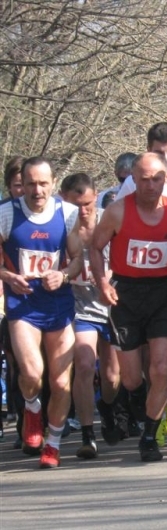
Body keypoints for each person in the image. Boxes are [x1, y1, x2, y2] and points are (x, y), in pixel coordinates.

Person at [91, 152, 167, 461]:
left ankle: (150, 435)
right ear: (133, 179)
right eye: (145, 179)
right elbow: (95, 248)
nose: (151, 186)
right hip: (126, 294)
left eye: (157, 179)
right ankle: (128, 403)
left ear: (166, 179)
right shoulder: (117, 212)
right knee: (133, 378)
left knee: (161, 367)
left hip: (163, 293)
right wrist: (103, 284)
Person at [117, 123, 167, 439]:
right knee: (149, 357)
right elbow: (117, 227)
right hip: (137, 282)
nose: (165, 159)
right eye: (158, 152)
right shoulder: (133, 183)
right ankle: (156, 408)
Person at [0, 157, 83, 467]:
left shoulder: (68, 213)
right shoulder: (6, 214)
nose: (37, 190)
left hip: (59, 304)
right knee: (33, 373)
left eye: (43, 183)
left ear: (52, 183)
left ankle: (54, 442)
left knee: (62, 382)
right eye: (31, 183)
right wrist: (8, 276)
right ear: (23, 183)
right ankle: (32, 407)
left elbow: (77, 259)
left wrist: (63, 275)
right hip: (23, 304)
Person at [60, 173, 120, 458]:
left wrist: (108, 275)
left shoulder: (111, 219)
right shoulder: (62, 226)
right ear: (65, 201)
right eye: (76, 205)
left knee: (112, 376)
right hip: (79, 306)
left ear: (96, 196)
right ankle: (87, 434)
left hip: (111, 304)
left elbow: (127, 256)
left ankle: (107, 407)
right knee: (84, 364)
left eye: (87, 204)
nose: (83, 211)